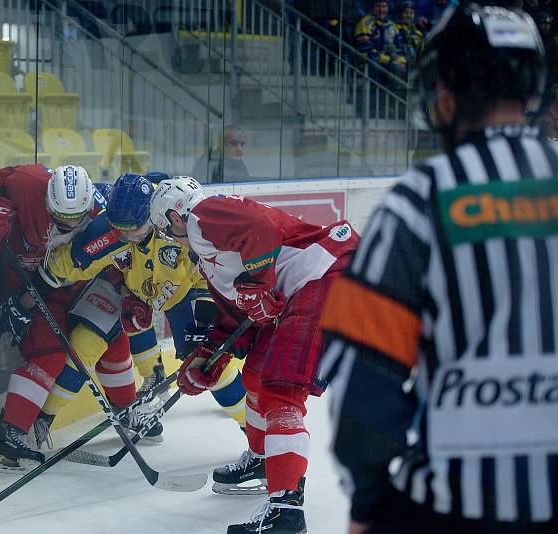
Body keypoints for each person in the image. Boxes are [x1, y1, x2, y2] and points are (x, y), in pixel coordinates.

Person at [320, 4, 558, 533]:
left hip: (455, 508)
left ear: (444, 95)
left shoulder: (420, 201)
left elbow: (365, 384)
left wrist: (367, 505)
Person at [148, 176, 360, 533]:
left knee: (281, 390)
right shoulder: (208, 253)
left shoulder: (203, 215)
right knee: (257, 379)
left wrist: (255, 286)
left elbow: (262, 231)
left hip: (326, 276)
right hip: (303, 291)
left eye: (167, 230)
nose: (171, 239)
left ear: (174, 216)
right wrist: (209, 357)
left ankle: (286, 510)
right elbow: (237, 317)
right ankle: (265, 460)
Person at [37, 173, 248, 450]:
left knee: (210, 365)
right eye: (121, 230)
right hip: (131, 290)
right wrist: (27, 295)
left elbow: (216, 267)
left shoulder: (181, 217)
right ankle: (42, 420)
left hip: (186, 290)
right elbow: (65, 264)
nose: (128, 236)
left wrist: (207, 322)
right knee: (87, 341)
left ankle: (256, 433)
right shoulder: (110, 230)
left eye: (135, 229)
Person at [0, 164, 143, 471]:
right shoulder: (29, 183)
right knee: (49, 355)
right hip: (32, 284)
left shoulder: (103, 215)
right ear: (47, 199)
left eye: (75, 218)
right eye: (59, 217)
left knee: (112, 338)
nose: (67, 225)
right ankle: (8, 435)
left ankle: (126, 410)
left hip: (79, 280)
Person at [354, 0, 407, 78]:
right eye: (378, 6)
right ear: (372, 7)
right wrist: (391, 60)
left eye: (384, 6)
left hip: (388, 63)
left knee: (409, 68)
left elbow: (399, 48)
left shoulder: (392, 25)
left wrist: (402, 61)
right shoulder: (365, 23)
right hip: (370, 64)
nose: (381, 10)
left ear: (388, 8)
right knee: (397, 69)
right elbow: (366, 53)